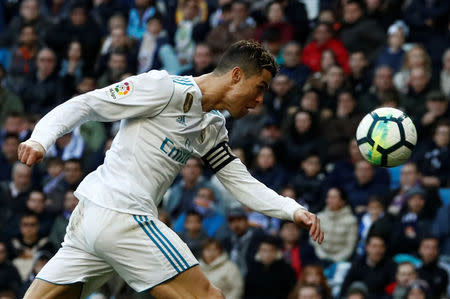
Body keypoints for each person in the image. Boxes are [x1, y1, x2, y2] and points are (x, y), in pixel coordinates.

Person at [18, 40, 323, 298]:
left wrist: (290, 209)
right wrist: (40, 139)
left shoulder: (211, 125)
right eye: (260, 87)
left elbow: (239, 180)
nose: (259, 99)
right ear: (236, 75)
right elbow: (86, 104)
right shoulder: (163, 89)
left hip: (94, 220)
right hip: (123, 216)